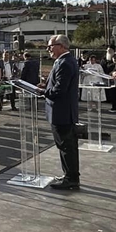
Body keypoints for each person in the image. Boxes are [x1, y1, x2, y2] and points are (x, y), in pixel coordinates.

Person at [38, 35, 80, 190]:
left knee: (66, 146)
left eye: (51, 45)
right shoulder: (63, 61)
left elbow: (59, 90)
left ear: (62, 46)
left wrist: (42, 91)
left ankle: (71, 178)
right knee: (65, 146)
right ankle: (69, 174)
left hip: (62, 112)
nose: (49, 49)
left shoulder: (65, 63)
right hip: (61, 111)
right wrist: (45, 86)